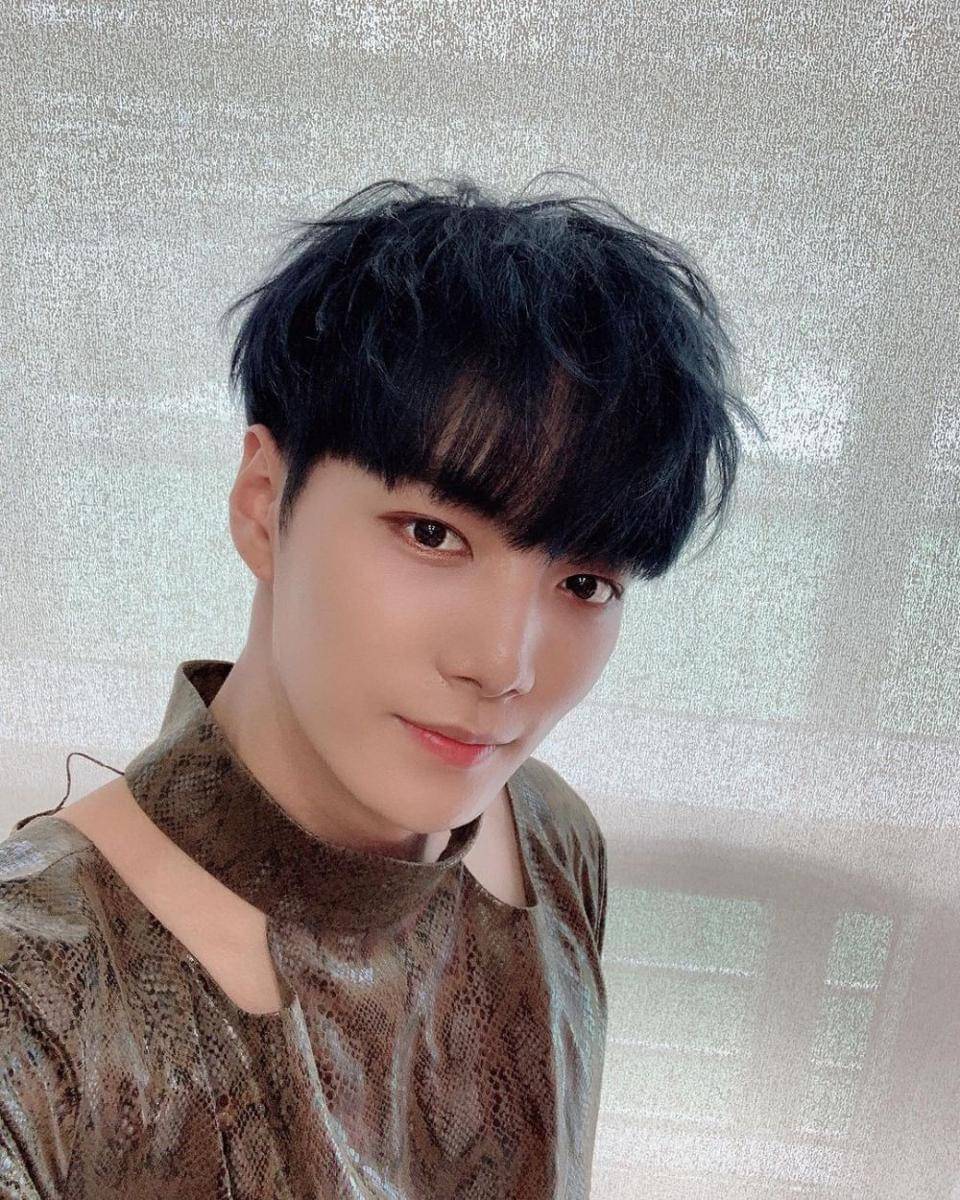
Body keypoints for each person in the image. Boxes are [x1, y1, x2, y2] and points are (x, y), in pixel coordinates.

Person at [0, 171, 764, 1199]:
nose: (504, 666)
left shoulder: (550, 836)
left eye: (584, 582)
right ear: (264, 504)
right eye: (433, 534)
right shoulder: (32, 984)